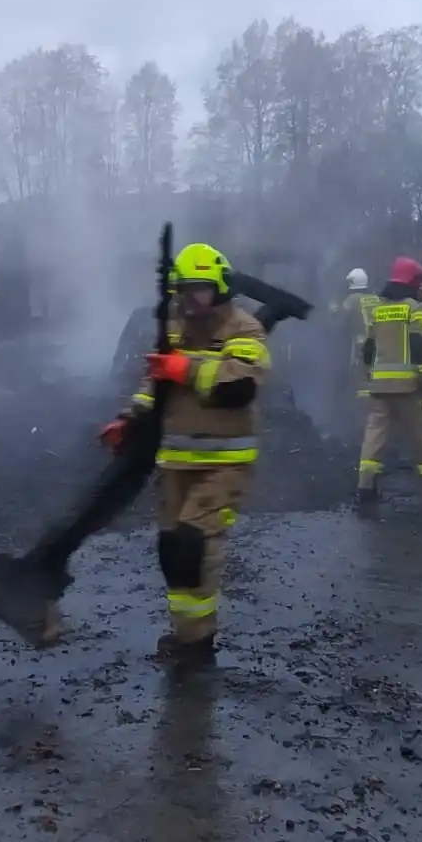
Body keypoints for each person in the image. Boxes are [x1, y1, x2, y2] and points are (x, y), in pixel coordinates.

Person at [106, 242, 270, 668]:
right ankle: (187, 636)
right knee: (170, 550)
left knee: (195, 546)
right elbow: (153, 386)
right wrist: (129, 418)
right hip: (176, 462)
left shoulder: (244, 328)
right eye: (183, 289)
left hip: (224, 464)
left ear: (218, 287)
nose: (189, 298)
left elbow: (239, 387)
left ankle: (199, 646)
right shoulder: (174, 327)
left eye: (197, 289)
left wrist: (185, 368)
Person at [356, 257, 422, 506]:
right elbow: (419, 346)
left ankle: (365, 486)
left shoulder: (378, 310)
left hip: (380, 387)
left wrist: (368, 375)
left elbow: (368, 348)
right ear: (413, 284)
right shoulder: (415, 310)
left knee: (375, 436)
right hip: (410, 387)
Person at [339, 267, 378, 428]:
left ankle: (363, 422)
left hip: (361, 347)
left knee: (361, 383)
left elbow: (339, 317)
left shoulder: (352, 300)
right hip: (379, 346)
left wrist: (332, 307)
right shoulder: (376, 299)